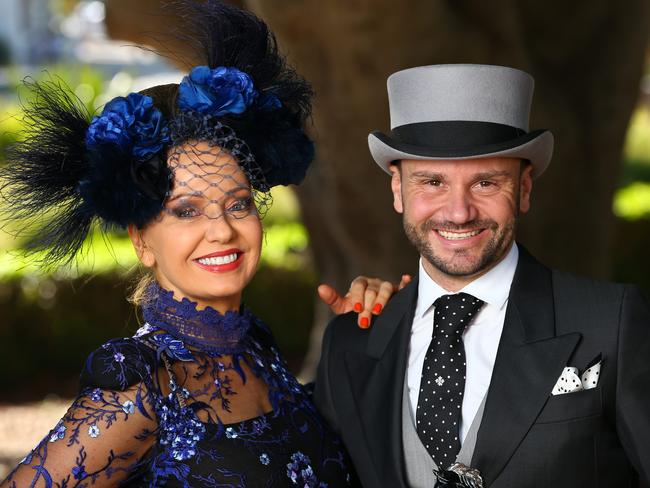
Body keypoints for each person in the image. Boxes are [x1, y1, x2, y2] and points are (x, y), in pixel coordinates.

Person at [0, 2, 395, 486]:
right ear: (142, 239)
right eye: (185, 211)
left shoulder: (255, 347)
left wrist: (357, 340)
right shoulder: (141, 382)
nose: (222, 231)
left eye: (239, 204)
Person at [314, 64, 650, 487]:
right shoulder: (351, 343)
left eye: (486, 183)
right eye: (432, 182)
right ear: (398, 191)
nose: (458, 212)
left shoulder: (611, 322)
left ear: (524, 189)